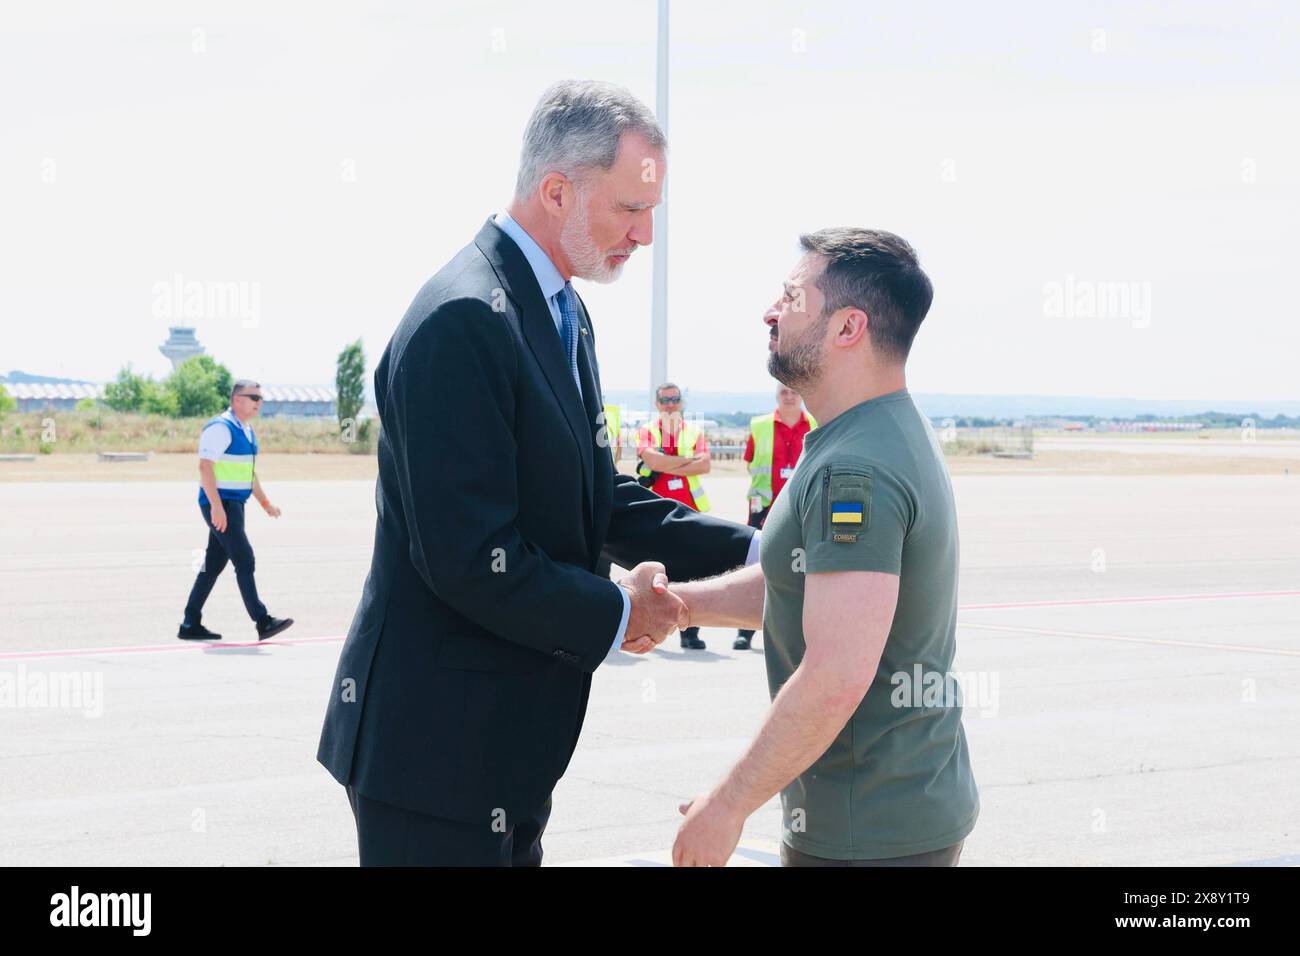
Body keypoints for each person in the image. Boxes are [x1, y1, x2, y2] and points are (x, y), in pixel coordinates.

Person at [316, 80, 759, 867]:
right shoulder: (463, 318)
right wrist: (621, 614)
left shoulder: (559, 309)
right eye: (630, 209)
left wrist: (759, 551)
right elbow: (468, 559)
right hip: (436, 756)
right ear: (557, 191)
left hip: (504, 747)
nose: (646, 236)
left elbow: (599, 497)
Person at [666, 228, 979, 867]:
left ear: (847, 328)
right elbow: (801, 585)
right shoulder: (876, 430)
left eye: (791, 297)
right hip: (888, 814)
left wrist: (726, 807)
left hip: (866, 833)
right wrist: (674, 607)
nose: (770, 312)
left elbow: (835, 674)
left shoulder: (856, 469)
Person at [178, 380, 294, 641]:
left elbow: (248, 474)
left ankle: (190, 622)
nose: (258, 402)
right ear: (236, 400)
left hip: (234, 505)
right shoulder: (221, 428)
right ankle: (262, 621)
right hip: (220, 504)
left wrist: (266, 504)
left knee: (213, 565)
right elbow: (205, 467)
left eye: (260, 398)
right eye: (253, 397)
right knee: (244, 558)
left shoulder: (247, 431)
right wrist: (217, 508)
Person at [734, 385, 815, 650]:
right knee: (756, 567)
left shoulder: (817, 422)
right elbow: (751, 461)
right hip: (765, 507)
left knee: (808, 570)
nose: (789, 396)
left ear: (802, 394)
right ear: (776, 396)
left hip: (805, 507)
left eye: (794, 392)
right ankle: (745, 631)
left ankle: (802, 632)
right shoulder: (760, 426)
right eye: (784, 392)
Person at [636, 383, 712, 649]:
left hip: (691, 511)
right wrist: (685, 462)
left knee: (694, 574)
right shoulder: (647, 431)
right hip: (657, 512)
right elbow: (653, 463)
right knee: (655, 576)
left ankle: (689, 633)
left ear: (681, 403)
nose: (670, 404)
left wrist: (668, 461)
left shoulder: (694, 431)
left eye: (674, 399)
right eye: (664, 400)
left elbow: (705, 465)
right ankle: (647, 629)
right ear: (657, 403)